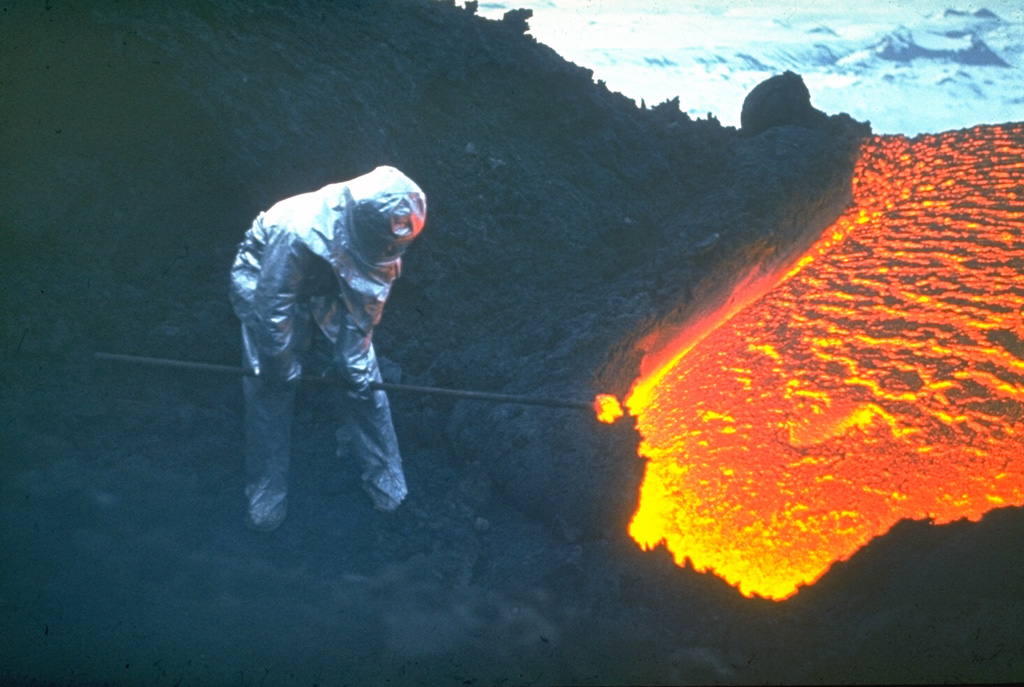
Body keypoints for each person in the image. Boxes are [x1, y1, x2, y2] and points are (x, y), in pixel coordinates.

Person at [229, 166, 426, 531]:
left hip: (328, 284)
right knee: (270, 387)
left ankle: (388, 484)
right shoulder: (295, 227)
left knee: (365, 381)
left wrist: (353, 364)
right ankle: (267, 495)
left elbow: (368, 300)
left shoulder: (388, 230)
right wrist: (281, 362)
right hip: (265, 280)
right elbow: (273, 308)